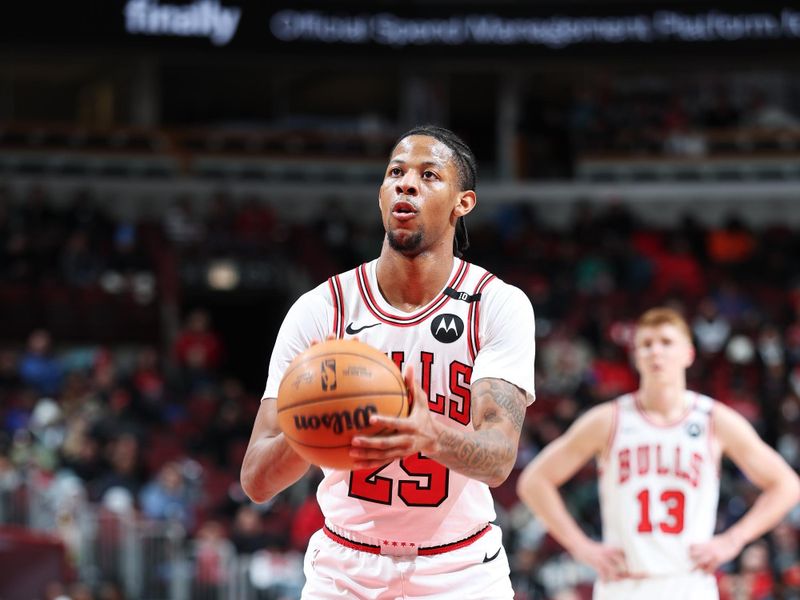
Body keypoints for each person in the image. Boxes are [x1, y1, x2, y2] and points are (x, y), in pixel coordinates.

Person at [241, 125, 536, 599]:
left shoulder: (495, 306)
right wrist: (316, 421)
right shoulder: (322, 310)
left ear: (464, 203)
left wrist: (429, 434)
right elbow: (256, 480)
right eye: (395, 172)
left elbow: (499, 458)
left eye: (428, 175)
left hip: (460, 571)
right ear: (381, 195)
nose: (406, 183)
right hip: (345, 569)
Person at [516, 307, 800, 599]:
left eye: (666, 342)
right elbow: (534, 481)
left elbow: (787, 485)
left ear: (688, 353)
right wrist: (580, 546)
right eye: (646, 344)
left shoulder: (713, 420)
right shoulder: (608, 420)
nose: (655, 351)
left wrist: (733, 539)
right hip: (624, 582)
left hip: (689, 582)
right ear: (636, 356)